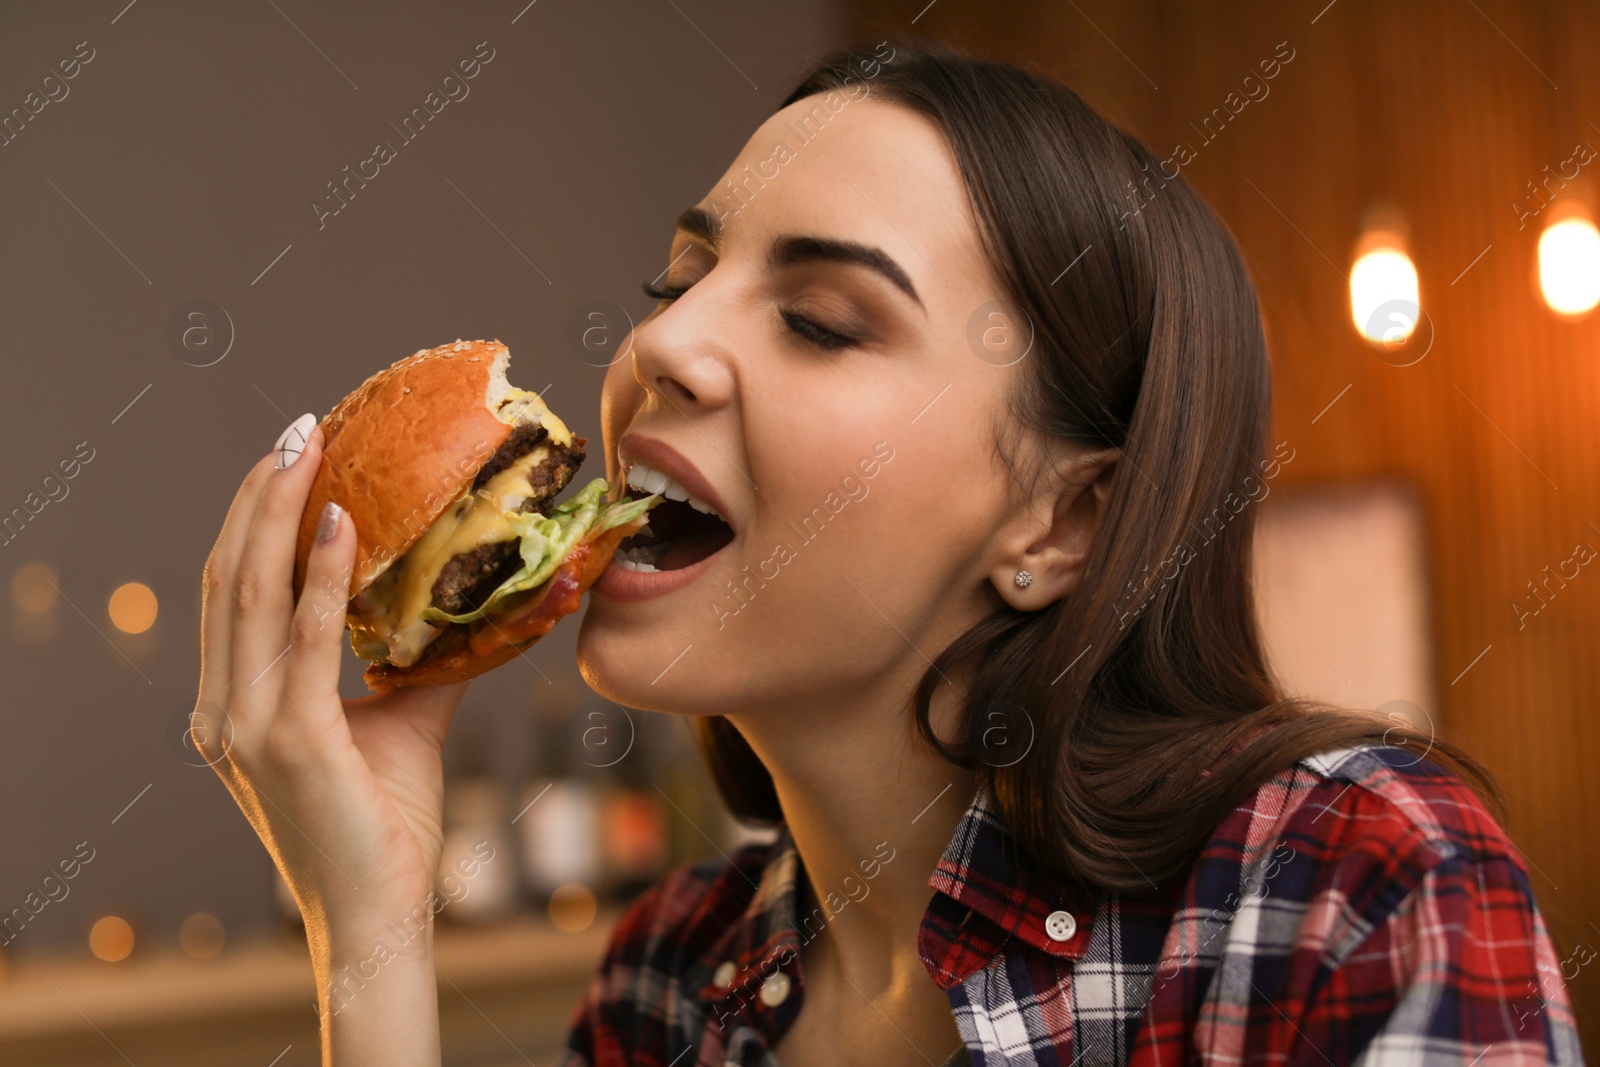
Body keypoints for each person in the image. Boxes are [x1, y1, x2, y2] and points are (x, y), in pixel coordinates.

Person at [196, 38, 1585, 1067]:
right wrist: (366, 935)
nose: (664, 344)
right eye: (678, 285)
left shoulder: (1345, 883)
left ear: (1063, 523)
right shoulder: (670, 986)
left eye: (821, 319)